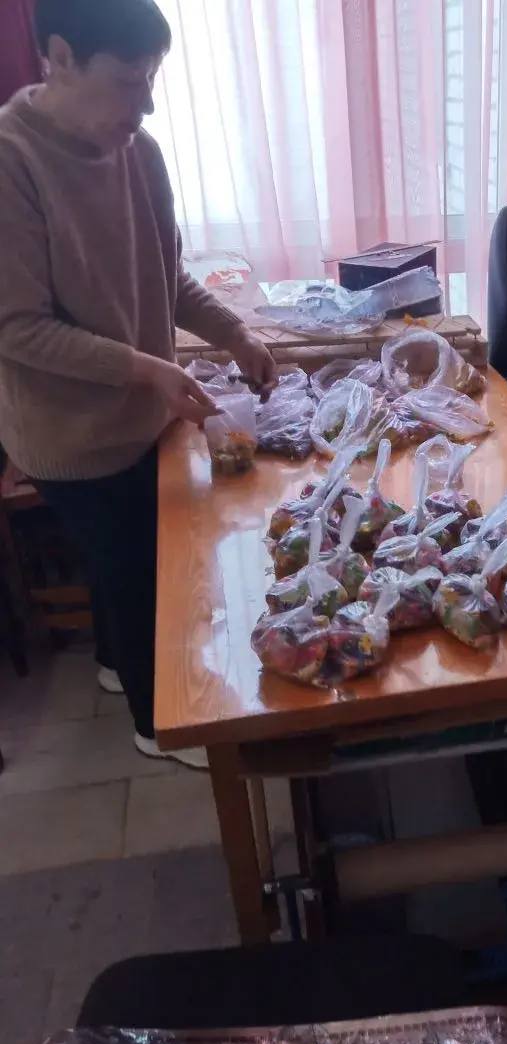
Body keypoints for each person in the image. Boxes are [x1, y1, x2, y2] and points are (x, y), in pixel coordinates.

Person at [0, 0, 276, 768]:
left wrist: (235, 333)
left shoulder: (139, 151)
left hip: (142, 416)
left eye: (152, 80)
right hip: (68, 435)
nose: (146, 104)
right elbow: (16, 328)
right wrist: (148, 369)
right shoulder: (12, 163)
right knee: (138, 571)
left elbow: (167, 275)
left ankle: (115, 665)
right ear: (60, 58)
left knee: (121, 562)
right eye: (128, 81)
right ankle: (161, 727)